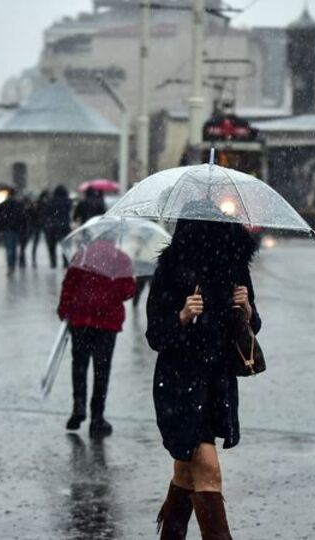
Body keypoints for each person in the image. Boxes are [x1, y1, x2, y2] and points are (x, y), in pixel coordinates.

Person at [147, 215, 260, 539]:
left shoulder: (235, 269)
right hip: (179, 384)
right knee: (207, 469)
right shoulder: (170, 271)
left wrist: (248, 310)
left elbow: (251, 327)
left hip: (217, 384)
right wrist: (183, 316)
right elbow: (156, 335)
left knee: (185, 471)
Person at [57, 240, 136, 437]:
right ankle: (97, 418)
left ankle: (79, 405)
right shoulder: (121, 258)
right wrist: (111, 291)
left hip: (81, 319)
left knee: (79, 365)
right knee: (102, 370)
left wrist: (64, 310)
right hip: (107, 324)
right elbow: (129, 291)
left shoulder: (82, 255)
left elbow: (69, 284)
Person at [0, 192, 27, 274]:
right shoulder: (18, 205)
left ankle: (10, 266)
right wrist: (23, 228)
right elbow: (23, 217)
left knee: (9, 248)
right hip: (15, 229)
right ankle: (12, 265)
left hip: (7, 229)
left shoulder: (3, 205)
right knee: (13, 248)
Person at [40, 185, 73, 268]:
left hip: (52, 227)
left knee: (52, 247)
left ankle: (53, 263)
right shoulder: (67, 201)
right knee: (65, 246)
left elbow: (45, 213)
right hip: (64, 226)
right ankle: (65, 262)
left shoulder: (50, 201)